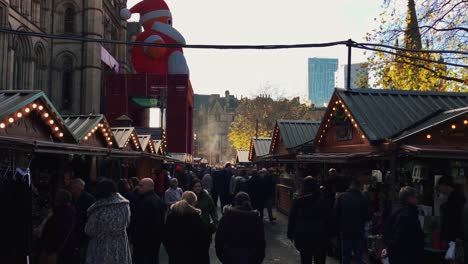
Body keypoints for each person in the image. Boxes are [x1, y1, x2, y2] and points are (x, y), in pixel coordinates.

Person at [85, 179, 132, 264]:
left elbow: (89, 230)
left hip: (101, 246)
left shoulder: (98, 208)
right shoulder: (125, 205)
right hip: (120, 244)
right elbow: (127, 223)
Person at [287, 177, 332, 264]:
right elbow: (329, 218)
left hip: (303, 235)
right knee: (320, 260)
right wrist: (330, 234)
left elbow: (292, 218)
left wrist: (290, 233)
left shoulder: (298, 201)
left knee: (305, 259)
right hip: (320, 235)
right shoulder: (322, 200)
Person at [215, 192, 265, 264]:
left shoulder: (227, 216)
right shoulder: (255, 218)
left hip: (230, 257)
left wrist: (223, 257)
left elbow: (219, 239)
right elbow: (261, 241)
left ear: (235, 202)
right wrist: (258, 259)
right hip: (251, 258)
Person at [164, 191, 211, 264]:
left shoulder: (171, 216)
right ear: (193, 202)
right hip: (193, 257)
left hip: (176, 256)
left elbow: (166, 237)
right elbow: (203, 240)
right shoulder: (196, 218)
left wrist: (170, 251)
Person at [382, 186, 424, 264]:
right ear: (410, 198)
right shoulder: (406, 214)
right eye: (416, 197)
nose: (417, 199)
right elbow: (399, 235)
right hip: (405, 254)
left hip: (401, 253)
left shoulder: (398, 210)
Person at [335, 179, 371, 264]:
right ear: (359, 187)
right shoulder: (363, 198)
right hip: (359, 231)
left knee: (345, 256)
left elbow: (336, 214)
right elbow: (368, 215)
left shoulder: (341, 197)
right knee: (358, 257)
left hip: (345, 231)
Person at [131, 178, 166, 264]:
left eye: (141, 186)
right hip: (154, 239)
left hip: (144, 240)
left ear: (149, 187)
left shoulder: (146, 201)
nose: (139, 187)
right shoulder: (157, 199)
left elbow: (141, 222)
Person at [39, 189, 78, 264]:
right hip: (63, 249)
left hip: (55, 251)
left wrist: (51, 250)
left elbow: (58, 233)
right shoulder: (70, 212)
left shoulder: (60, 214)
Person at [69, 178, 95, 263]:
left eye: (73, 187)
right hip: (75, 231)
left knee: (83, 255)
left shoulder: (89, 198)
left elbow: (92, 216)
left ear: (78, 188)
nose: (71, 189)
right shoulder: (72, 198)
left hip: (84, 231)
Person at [436, 175, 466, 245]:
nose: (439, 189)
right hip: (454, 236)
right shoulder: (455, 198)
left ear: (445, 185)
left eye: (440, 186)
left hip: (453, 237)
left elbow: (456, 219)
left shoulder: (455, 200)